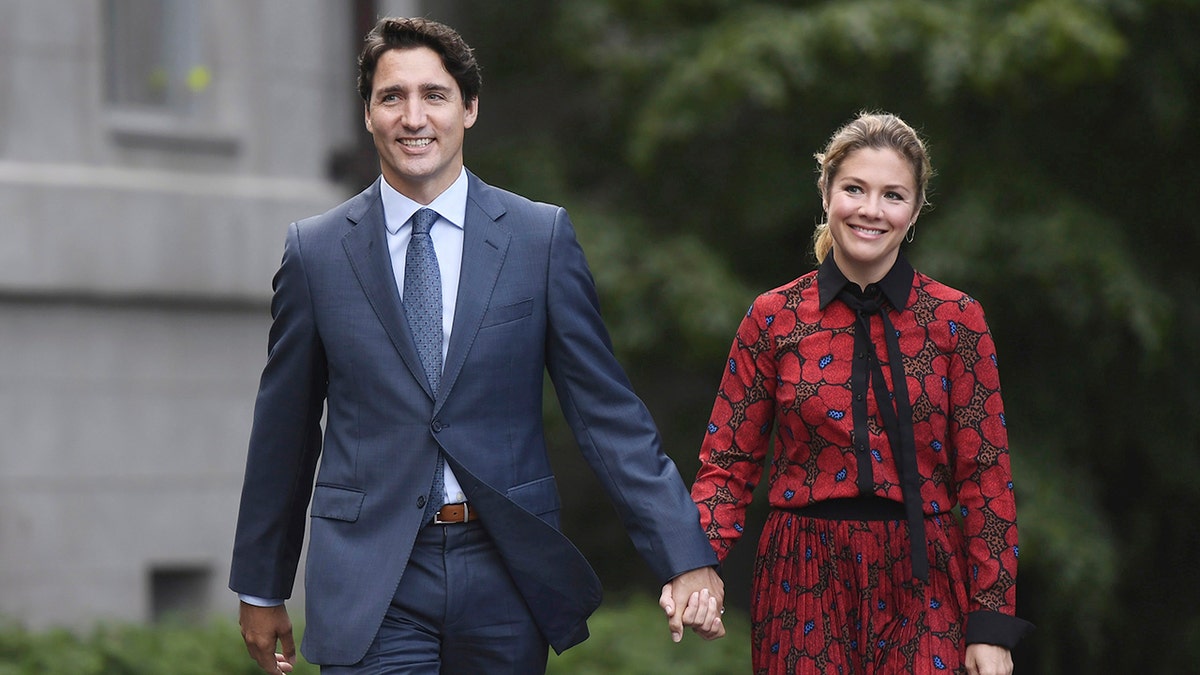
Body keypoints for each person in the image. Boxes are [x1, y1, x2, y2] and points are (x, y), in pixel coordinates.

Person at [229, 16, 722, 675]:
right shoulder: (315, 253)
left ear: (469, 108)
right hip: (374, 577)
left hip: (503, 569)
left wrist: (683, 552)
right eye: (391, 96)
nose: (413, 117)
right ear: (369, 114)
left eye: (433, 95)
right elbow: (285, 432)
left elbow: (606, 415)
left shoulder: (538, 239)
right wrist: (263, 583)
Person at [682, 112, 1033, 674]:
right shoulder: (774, 318)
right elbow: (727, 464)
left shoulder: (956, 320)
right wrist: (695, 565)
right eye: (854, 189)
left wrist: (992, 624)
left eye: (893, 195)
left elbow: (986, 478)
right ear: (826, 194)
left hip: (927, 578)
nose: (871, 209)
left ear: (914, 212)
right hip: (802, 573)